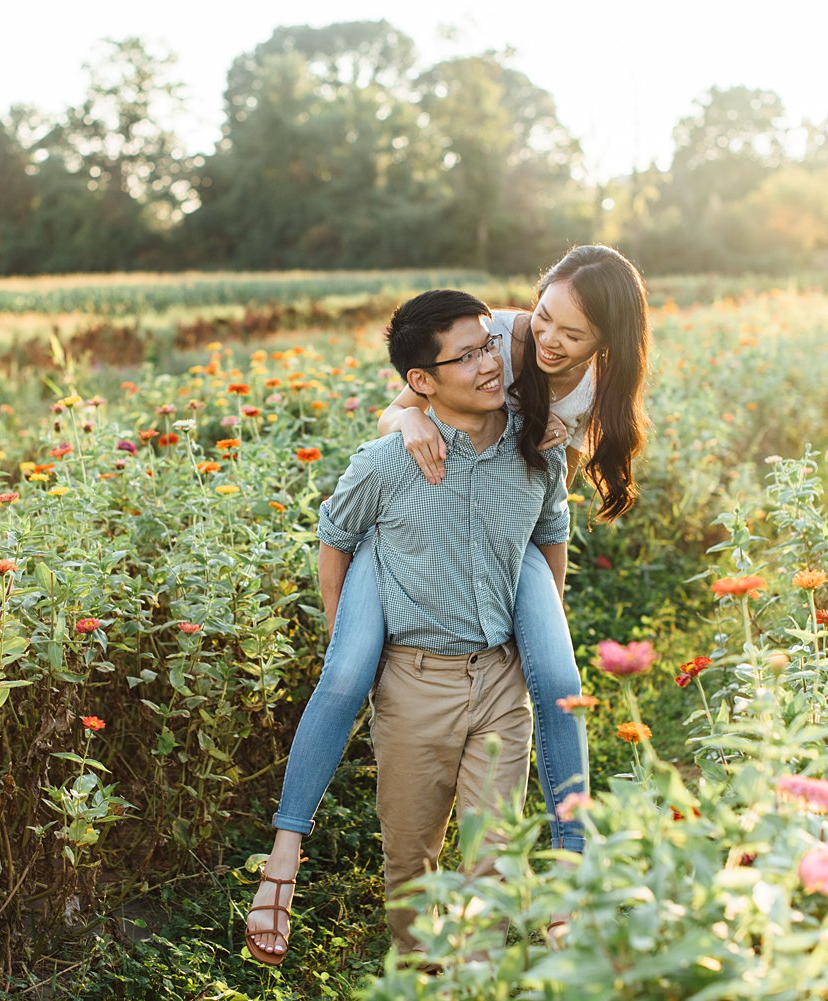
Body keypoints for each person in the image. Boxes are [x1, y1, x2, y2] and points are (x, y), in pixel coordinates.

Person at [245, 245, 651, 961]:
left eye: (574, 336)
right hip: (409, 537)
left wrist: (535, 620)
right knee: (344, 674)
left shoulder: (589, 400)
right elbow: (403, 402)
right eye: (547, 320)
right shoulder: (498, 337)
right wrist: (411, 423)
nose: (549, 343)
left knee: (558, 680)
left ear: (606, 345)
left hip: (511, 544)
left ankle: (570, 864)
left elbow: (550, 519)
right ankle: (283, 857)